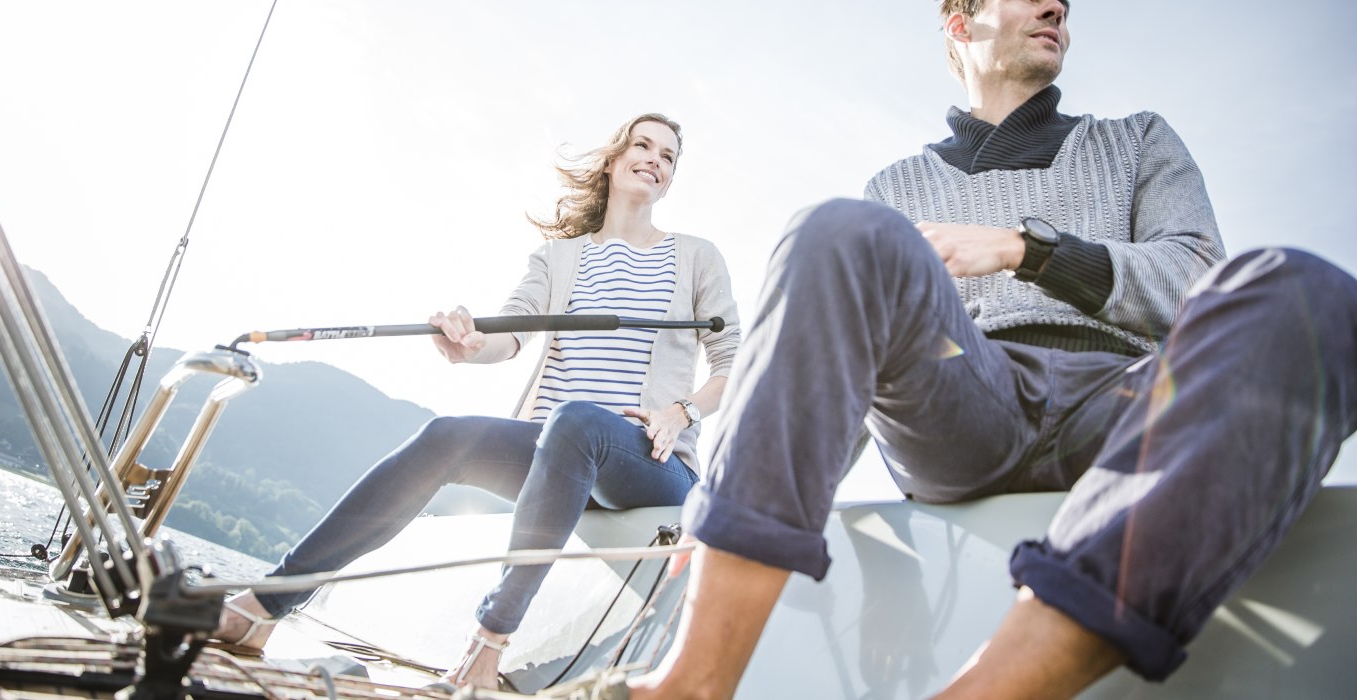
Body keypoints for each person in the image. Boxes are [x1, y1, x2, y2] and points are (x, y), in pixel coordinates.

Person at [623, 2, 1357, 699]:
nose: (1056, 9)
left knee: (1311, 292)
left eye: (1062, 4)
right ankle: (694, 679)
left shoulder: (1138, 140)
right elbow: (841, 354)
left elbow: (1198, 279)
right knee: (837, 231)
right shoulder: (896, 186)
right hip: (965, 393)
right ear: (958, 24)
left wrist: (1026, 251)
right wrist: (755, 516)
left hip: (1128, 397)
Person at [209, 112, 741, 692]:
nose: (655, 159)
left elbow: (735, 364)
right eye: (643, 145)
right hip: (559, 455)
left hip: (650, 463)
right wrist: (469, 342)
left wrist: (680, 413)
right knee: (446, 435)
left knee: (577, 423)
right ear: (613, 160)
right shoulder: (560, 258)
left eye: (668, 156)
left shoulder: (695, 257)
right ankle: (266, 604)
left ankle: (486, 648)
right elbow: (508, 334)